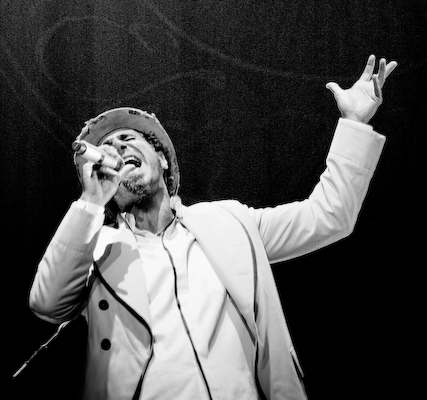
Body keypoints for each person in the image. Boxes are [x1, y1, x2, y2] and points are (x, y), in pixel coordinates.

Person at [29, 54, 397, 400]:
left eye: (128, 139)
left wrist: (354, 123)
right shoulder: (97, 249)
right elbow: (47, 304)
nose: (117, 148)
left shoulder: (231, 222)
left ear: (162, 159)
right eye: (107, 148)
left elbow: (330, 215)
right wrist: (91, 200)